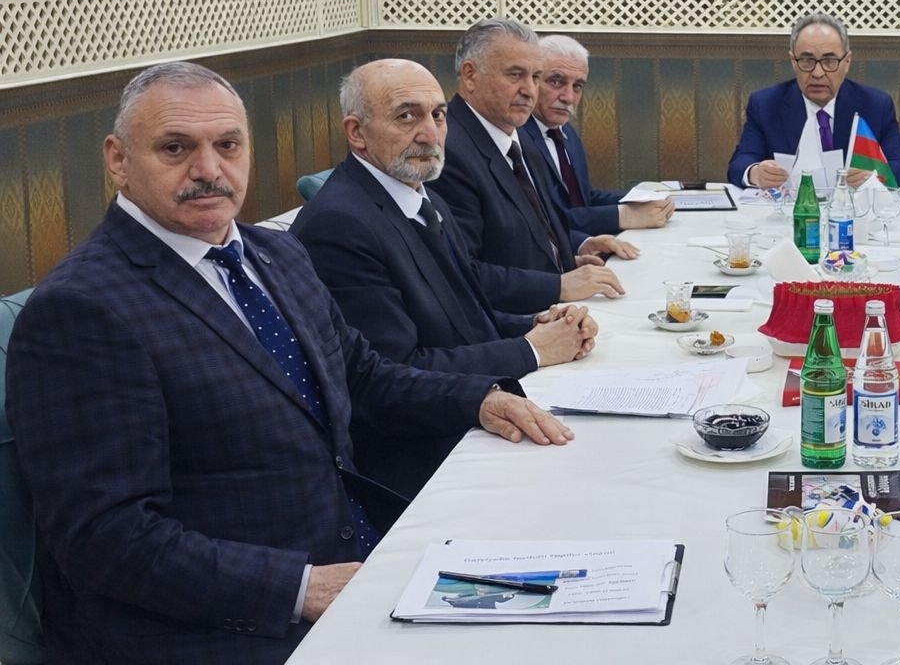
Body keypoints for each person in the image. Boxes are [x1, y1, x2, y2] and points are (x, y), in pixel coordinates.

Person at [3, 62, 573, 665]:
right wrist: (301, 589)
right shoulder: (82, 308)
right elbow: (106, 541)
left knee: (555, 589)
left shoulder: (276, 252)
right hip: (228, 623)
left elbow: (363, 376)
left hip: (354, 551)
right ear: (118, 159)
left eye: (228, 145)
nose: (208, 169)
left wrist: (479, 399)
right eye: (175, 148)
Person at [291, 58, 597, 497]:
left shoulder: (420, 195)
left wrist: (540, 324)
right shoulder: (340, 225)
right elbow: (393, 375)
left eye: (438, 115)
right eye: (406, 116)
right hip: (425, 460)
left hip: (472, 417)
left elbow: (463, 316)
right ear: (356, 132)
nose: (430, 134)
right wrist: (531, 350)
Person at [431, 19, 638, 304]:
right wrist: (557, 285)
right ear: (470, 75)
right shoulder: (448, 152)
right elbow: (462, 275)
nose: (530, 90)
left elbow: (529, 234)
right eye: (515, 75)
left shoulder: (520, 138)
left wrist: (570, 258)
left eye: (535, 77)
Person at [726, 12, 900, 190]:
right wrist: (755, 173)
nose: (817, 73)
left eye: (829, 61)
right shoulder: (766, 104)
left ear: (847, 61)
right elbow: (740, 163)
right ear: (793, 61)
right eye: (807, 61)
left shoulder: (875, 105)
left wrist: (874, 177)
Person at [521, 33, 673, 235]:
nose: (569, 97)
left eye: (577, 86)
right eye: (556, 82)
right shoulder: (517, 139)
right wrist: (622, 216)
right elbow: (541, 220)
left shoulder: (566, 133)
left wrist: (643, 200)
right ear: (533, 80)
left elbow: (582, 200)